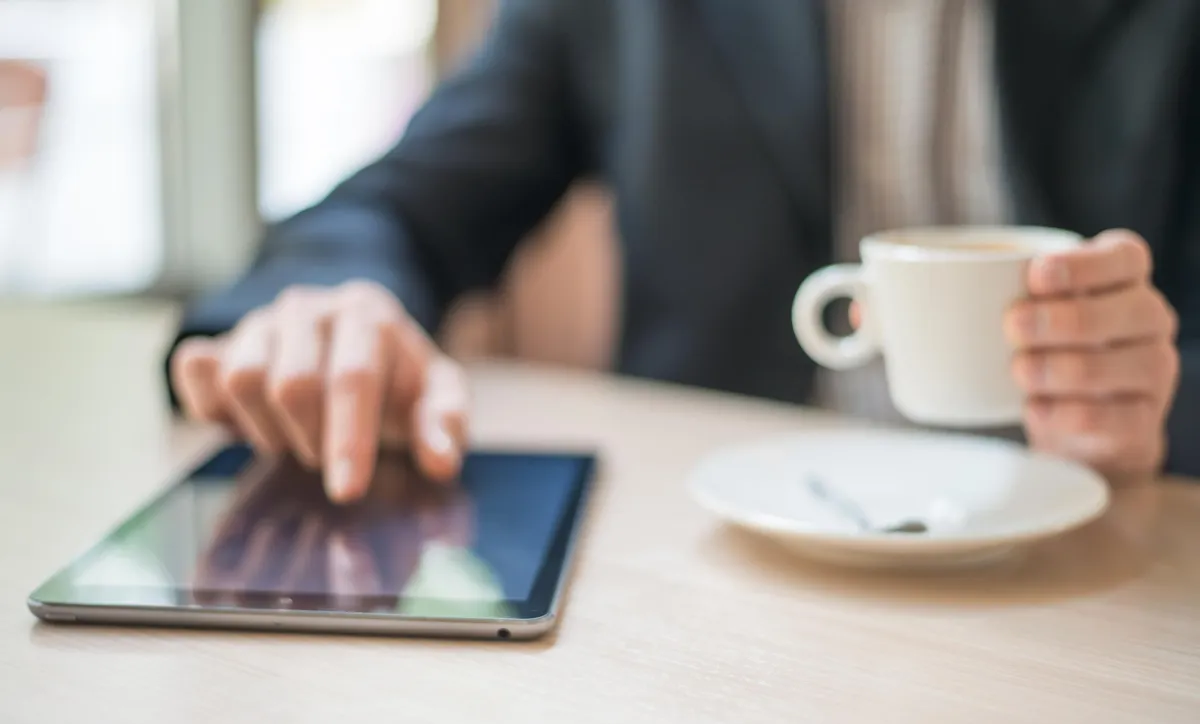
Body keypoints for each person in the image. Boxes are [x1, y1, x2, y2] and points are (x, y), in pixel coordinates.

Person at [168, 0, 1199, 502]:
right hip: (715, 572)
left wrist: (1162, 416)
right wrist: (330, 300)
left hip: (1089, 553)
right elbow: (408, 200)